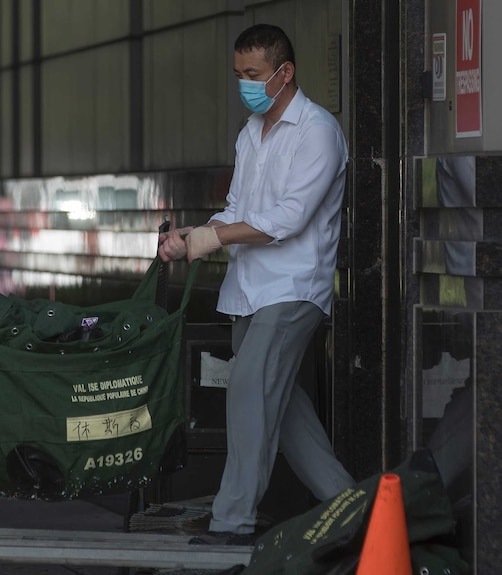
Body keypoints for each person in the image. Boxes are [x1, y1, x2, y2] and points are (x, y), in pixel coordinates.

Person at [158, 24, 354, 545]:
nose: (244, 84)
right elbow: (240, 211)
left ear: (284, 72)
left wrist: (210, 238)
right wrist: (190, 235)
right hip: (250, 290)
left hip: (293, 288)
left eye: (253, 74)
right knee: (286, 413)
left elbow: (288, 219)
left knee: (247, 390)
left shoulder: (318, 131)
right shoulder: (252, 132)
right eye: (238, 74)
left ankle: (233, 521)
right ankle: (355, 513)